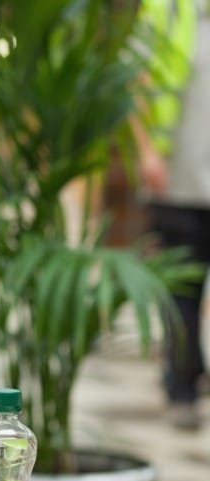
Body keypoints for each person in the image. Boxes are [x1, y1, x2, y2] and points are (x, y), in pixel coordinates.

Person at [138, 3, 209, 430]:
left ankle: (191, 372)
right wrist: (147, 150)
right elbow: (139, 79)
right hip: (177, 182)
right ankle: (181, 389)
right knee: (182, 296)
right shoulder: (167, 9)